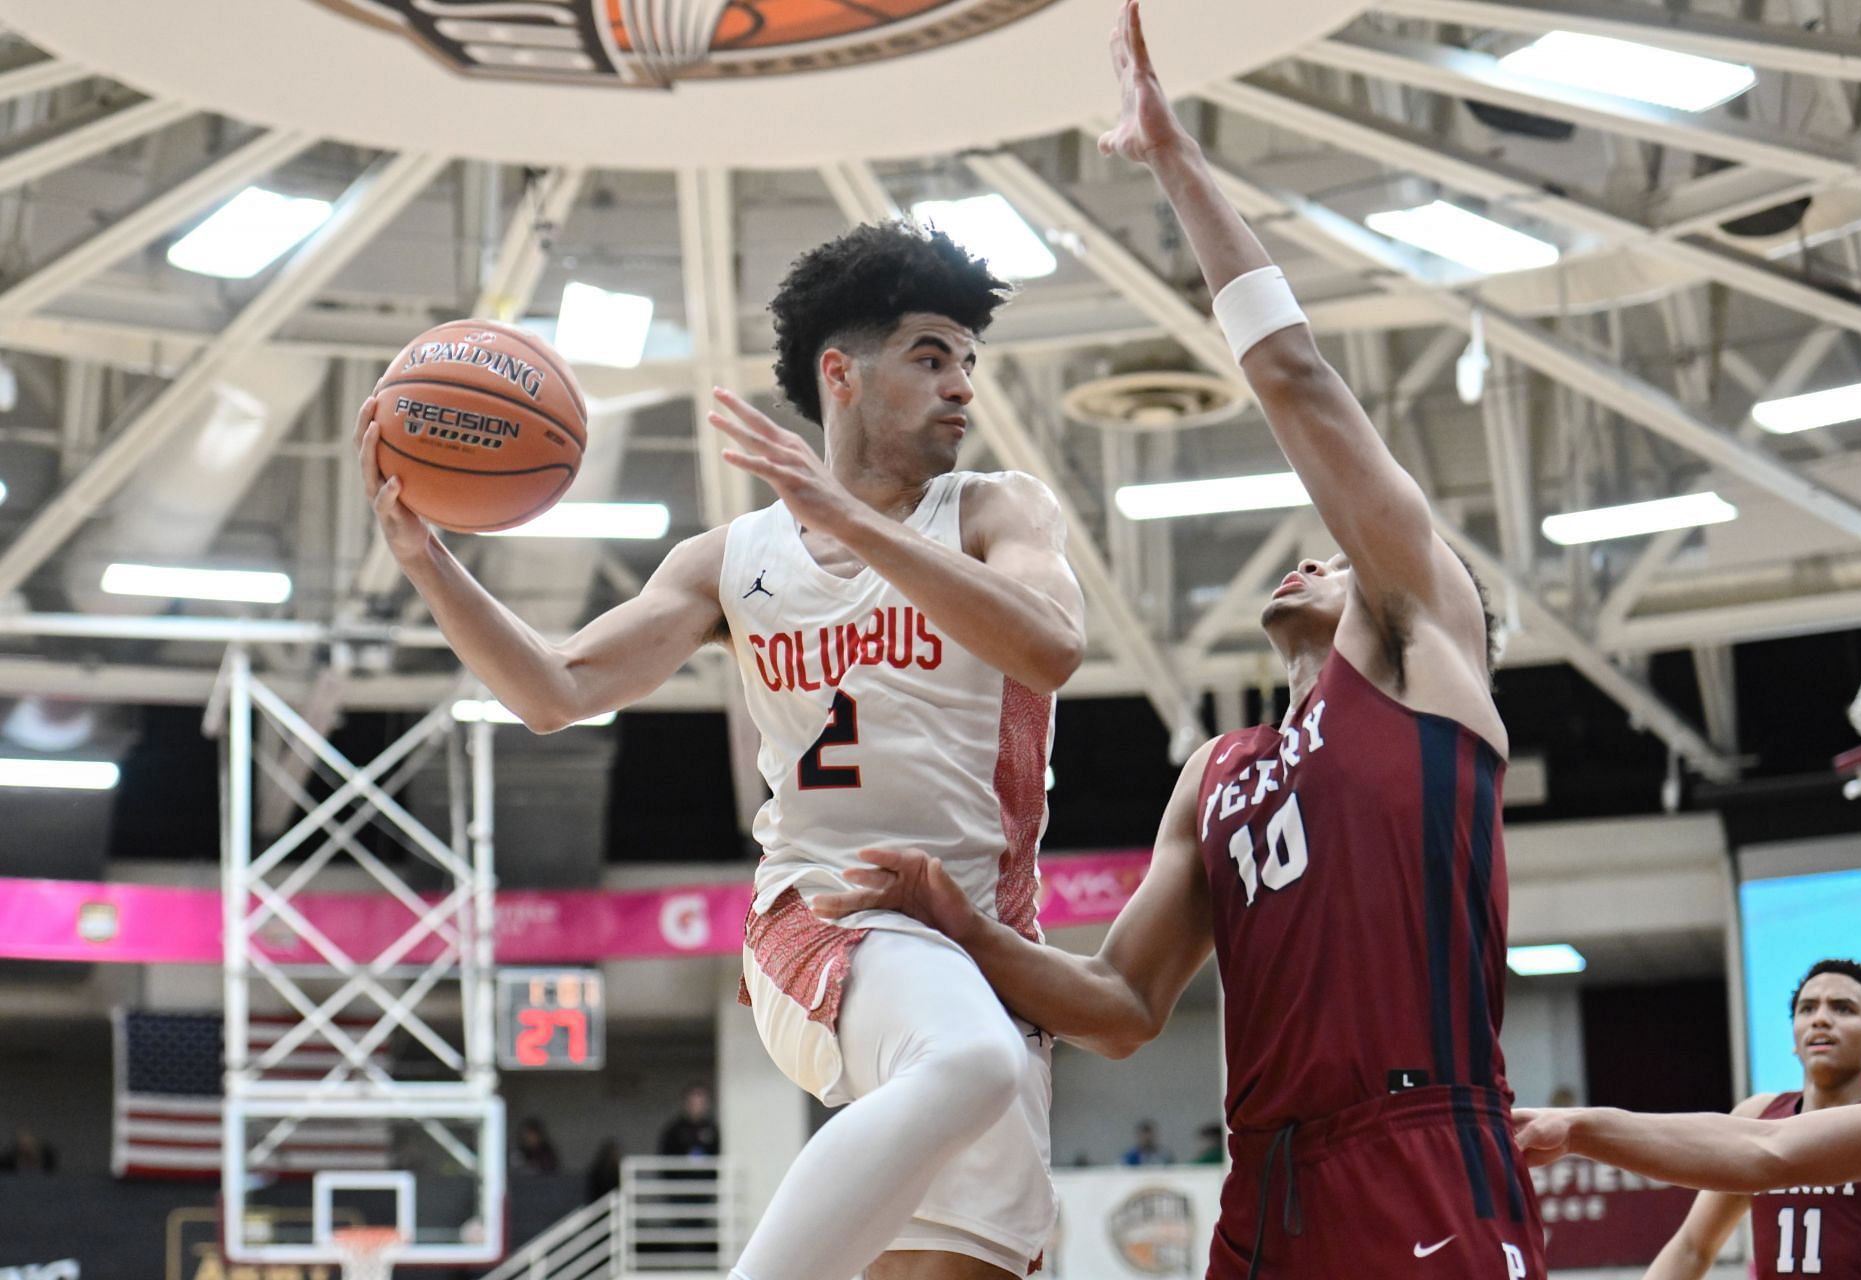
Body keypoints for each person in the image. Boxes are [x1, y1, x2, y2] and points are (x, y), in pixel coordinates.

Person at [816, 5, 1543, 1278]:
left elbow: (1301, 381)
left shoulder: (1432, 658)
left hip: (1421, 1139)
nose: (1310, 556)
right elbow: (1120, 1009)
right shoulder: (1218, 772)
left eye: (1340, 558)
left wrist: (1171, 160)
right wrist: (966, 927)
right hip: (1263, 1184)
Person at [360, 219, 1085, 1280]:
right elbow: (552, 689)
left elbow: (1052, 644)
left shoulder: (995, 511)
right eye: (932, 357)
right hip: (821, 916)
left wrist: (851, 515)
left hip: (985, 952)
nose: (962, 386)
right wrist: (429, 563)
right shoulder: (730, 560)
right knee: (966, 1060)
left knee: (971, 1213)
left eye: (968, 362)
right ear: (841, 373)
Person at [1640, 959, 1861, 1279]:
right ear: (1795, 1041)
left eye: (1842, 1009)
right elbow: (1692, 1246)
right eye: (1808, 1009)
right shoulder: (1759, 1116)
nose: (1820, 1019)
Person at [1513, 1076, 1861, 1190]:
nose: (1820, 1020)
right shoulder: (1765, 1111)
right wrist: (1576, 1129)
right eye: (1807, 1007)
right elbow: (1763, 1148)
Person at [658, 1085, 720, 1158]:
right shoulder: (674, 1129)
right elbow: (665, 1155)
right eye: (693, 1103)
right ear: (686, 1103)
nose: (697, 1108)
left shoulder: (712, 1128)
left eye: (701, 1103)